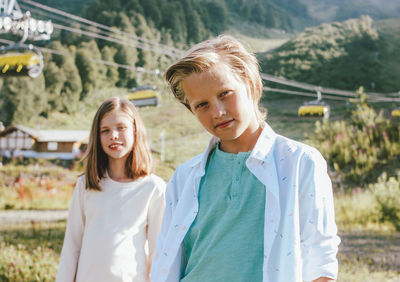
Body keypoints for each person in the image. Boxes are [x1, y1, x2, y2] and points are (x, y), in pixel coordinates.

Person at [150, 35, 340, 282]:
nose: (217, 112)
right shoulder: (184, 177)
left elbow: (320, 263)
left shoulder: (300, 163)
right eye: (202, 105)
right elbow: (166, 264)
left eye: (225, 93)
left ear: (253, 86)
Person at [57, 97, 166, 282]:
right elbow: (72, 246)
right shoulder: (86, 185)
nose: (113, 135)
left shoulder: (153, 188)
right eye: (105, 130)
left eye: (121, 128)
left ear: (135, 130)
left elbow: (159, 252)